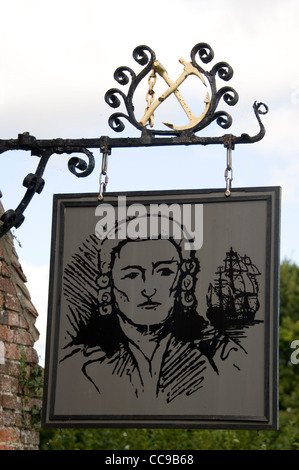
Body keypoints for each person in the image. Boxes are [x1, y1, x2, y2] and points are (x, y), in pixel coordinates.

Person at [59, 213, 250, 413]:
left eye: (164, 272)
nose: (148, 289)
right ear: (109, 283)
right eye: (132, 275)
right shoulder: (77, 366)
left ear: (182, 280)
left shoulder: (222, 356)